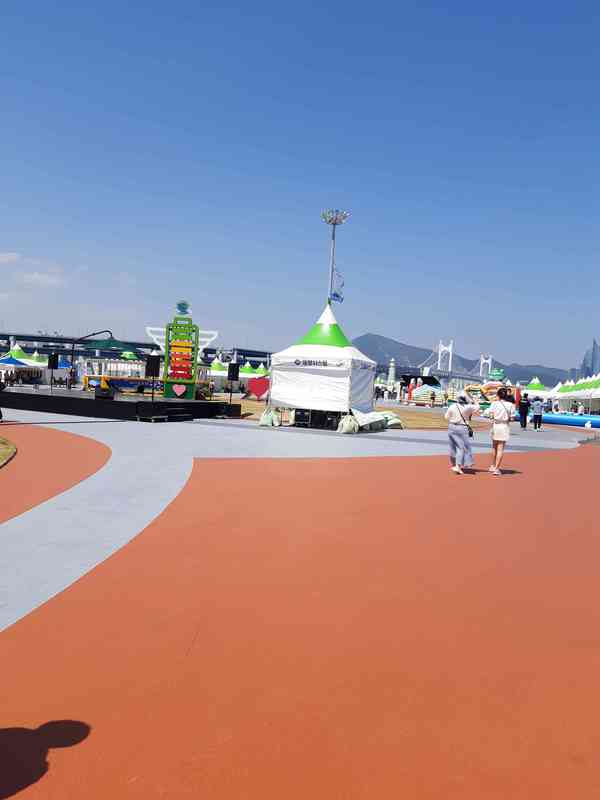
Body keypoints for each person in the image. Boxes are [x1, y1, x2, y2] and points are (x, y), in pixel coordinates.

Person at [444, 391, 480, 475]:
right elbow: (478, 407)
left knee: (452, 447)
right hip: (462, 427)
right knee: (461, 447)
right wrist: (473, 399)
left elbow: (446, 417)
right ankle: (458, 466)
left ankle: (454, 465)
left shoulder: (452, 406)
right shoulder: (468, 407)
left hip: (452, 426)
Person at [486, 386, 515, 476]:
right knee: (500, 449)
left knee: (494, 447)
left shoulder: (494, 404)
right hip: (504, 426)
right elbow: (512, 418)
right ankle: (497, 468)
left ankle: (492, 465)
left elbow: (491, 416)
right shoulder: (511, 405)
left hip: (495, 425)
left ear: (498, 395)